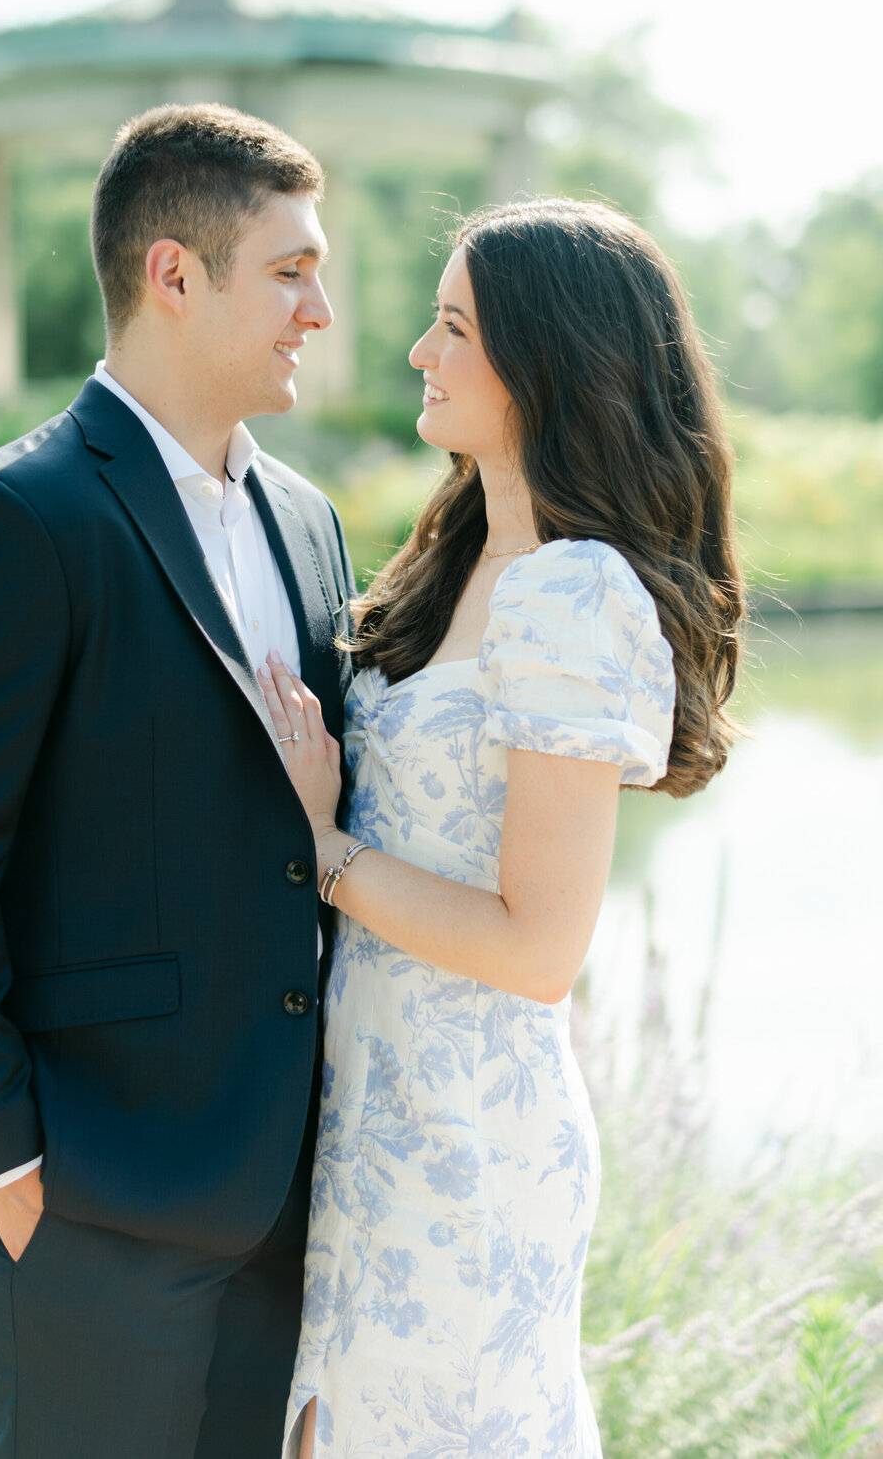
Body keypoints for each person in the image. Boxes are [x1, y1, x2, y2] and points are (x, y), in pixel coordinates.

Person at [0, 102, 358, 1459]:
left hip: (280, 1200)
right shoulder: (14, 515)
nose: (321, 307)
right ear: (174, 274)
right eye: (292, 269)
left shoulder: (308, 521)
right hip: (83, 1208)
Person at [262, 198, 745, 1458]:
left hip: (468, 1142)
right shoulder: (457, 556)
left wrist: (321, 852)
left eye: (453, 326)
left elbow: (541, 950)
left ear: (547, 363)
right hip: (365, 1112)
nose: (421, 352)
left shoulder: (574, 592)